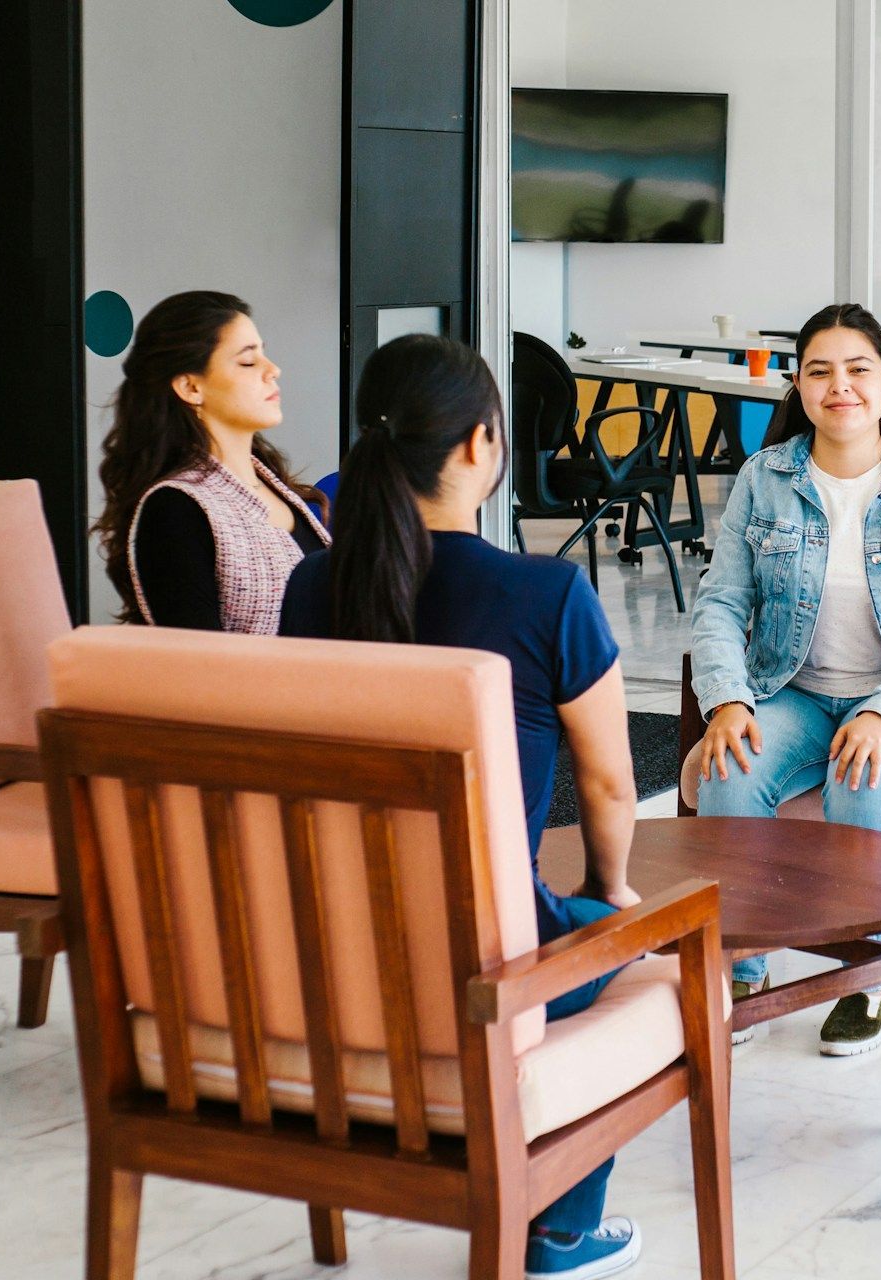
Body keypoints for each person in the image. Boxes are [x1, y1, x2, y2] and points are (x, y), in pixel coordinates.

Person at [278, 335, 643, 1280]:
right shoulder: (546, 593)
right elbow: (608, 784)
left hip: (331, 951)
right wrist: (610, 893)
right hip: (485, 965)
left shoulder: (312, 588)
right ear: (481, 446)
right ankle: (560, 1227)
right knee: (646, 952)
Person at [691, 304, 881, 1056]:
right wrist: (725, 699)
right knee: (731, 764)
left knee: (862, 775)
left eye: (858, 370)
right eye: (820, 371)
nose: (839, 387)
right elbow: (720, 602)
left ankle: (870, 970)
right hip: (798, 691)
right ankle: (741, 965)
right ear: (799, 382)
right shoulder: (766, 478)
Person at [94, 290, 329, 633]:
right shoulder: (175, 508)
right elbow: (197, 670)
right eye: (248, 361)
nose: (273, 370)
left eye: (265, 354)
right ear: (191, 387)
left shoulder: (271, 484)